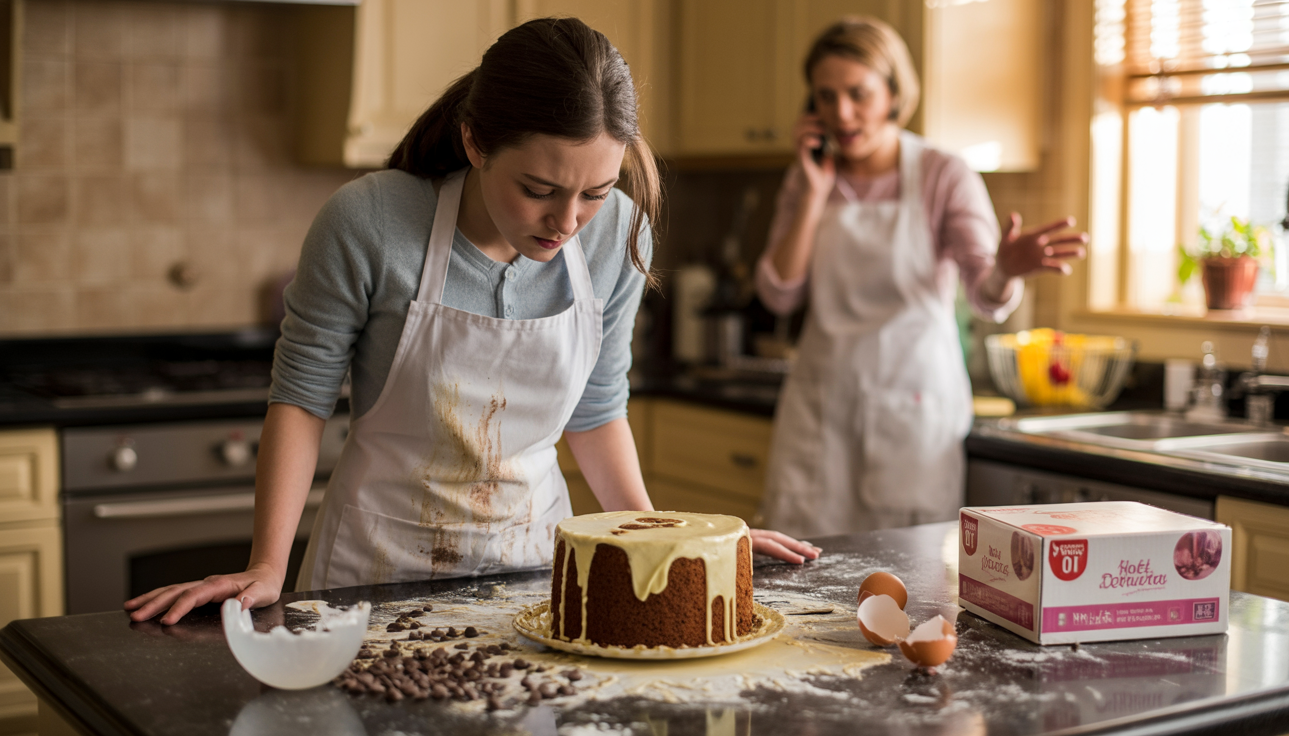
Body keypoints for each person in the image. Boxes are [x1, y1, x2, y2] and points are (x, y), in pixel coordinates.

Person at [128, 17, 819, 626]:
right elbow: (301, 400)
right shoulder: (369, 222)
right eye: (539, 190)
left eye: (596, 194)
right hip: (374, 577)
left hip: (536, 580)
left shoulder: (617, 239)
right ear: (476, 143)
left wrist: (662, 535)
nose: (567, 222)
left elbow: (597, 409)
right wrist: (267, 565)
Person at [756, 17, 1087, 538]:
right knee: (799, 585)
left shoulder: (942, 174)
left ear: (893, 93)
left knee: (911, 590)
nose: (841, 113)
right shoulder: (808, 179)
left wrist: (1006, 269)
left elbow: (985, 294)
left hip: (912, 418)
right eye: (825, 96)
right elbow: (778, 293)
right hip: (820, 415)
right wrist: (815, 191)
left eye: (858, 93)